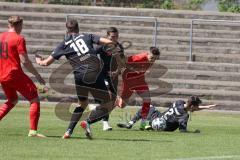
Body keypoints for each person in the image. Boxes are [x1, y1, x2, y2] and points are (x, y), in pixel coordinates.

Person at [35, 19, 121, 139]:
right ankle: (88, 122)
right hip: (93, 72)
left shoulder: (63, 44)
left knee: (82, 104)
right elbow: (109, 42)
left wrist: (38, 60)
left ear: (67, 29)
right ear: (78, 28)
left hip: (79, 76)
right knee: (110, 103)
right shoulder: (87, 36)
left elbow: (46, 63)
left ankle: (68, 131)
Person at [0, 16, 46, 137]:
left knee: (13, 100)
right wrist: (37, 75)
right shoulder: (19, 38)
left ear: (8, 25)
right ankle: (33, 131)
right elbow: (25, 61)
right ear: (19, 25)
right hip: (14, 74)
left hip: (2, 75)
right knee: (34, 98)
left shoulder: (1, 36)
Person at [116, 46, 160, 130]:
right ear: (148, 54)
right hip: (129, 81)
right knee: (122, 105)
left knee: (147, 100)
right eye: (152, 58)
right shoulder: (139, 57)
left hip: (140, 81)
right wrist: (133, 69)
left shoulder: (151, 59)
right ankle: (115, 99)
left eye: (155, 59)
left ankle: (143, 123)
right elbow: (124, 62)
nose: (153, 60)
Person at [117, 96, 216, 132]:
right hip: (164, 127)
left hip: (158, 118)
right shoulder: (184, 116)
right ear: (192, 106)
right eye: (197, 106)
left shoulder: (179, 102)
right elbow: (182, 131)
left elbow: (189, 108)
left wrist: (206, 107)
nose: (197, 108)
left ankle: (131, 124)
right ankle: (146, 126)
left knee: (147, 107)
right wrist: (194, 132)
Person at [96, 27, 125, 131]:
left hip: (112, 75)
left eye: (117, 36)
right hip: (101, 75)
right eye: (113, 37)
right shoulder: (103, 46)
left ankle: (98, 111)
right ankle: (105, 123)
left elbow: (122, 62)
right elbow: (92, 55)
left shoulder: (119, 47)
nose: (115, 38)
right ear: (107, 36)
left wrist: (116, 72)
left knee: (113, 100)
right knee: (108, 98)